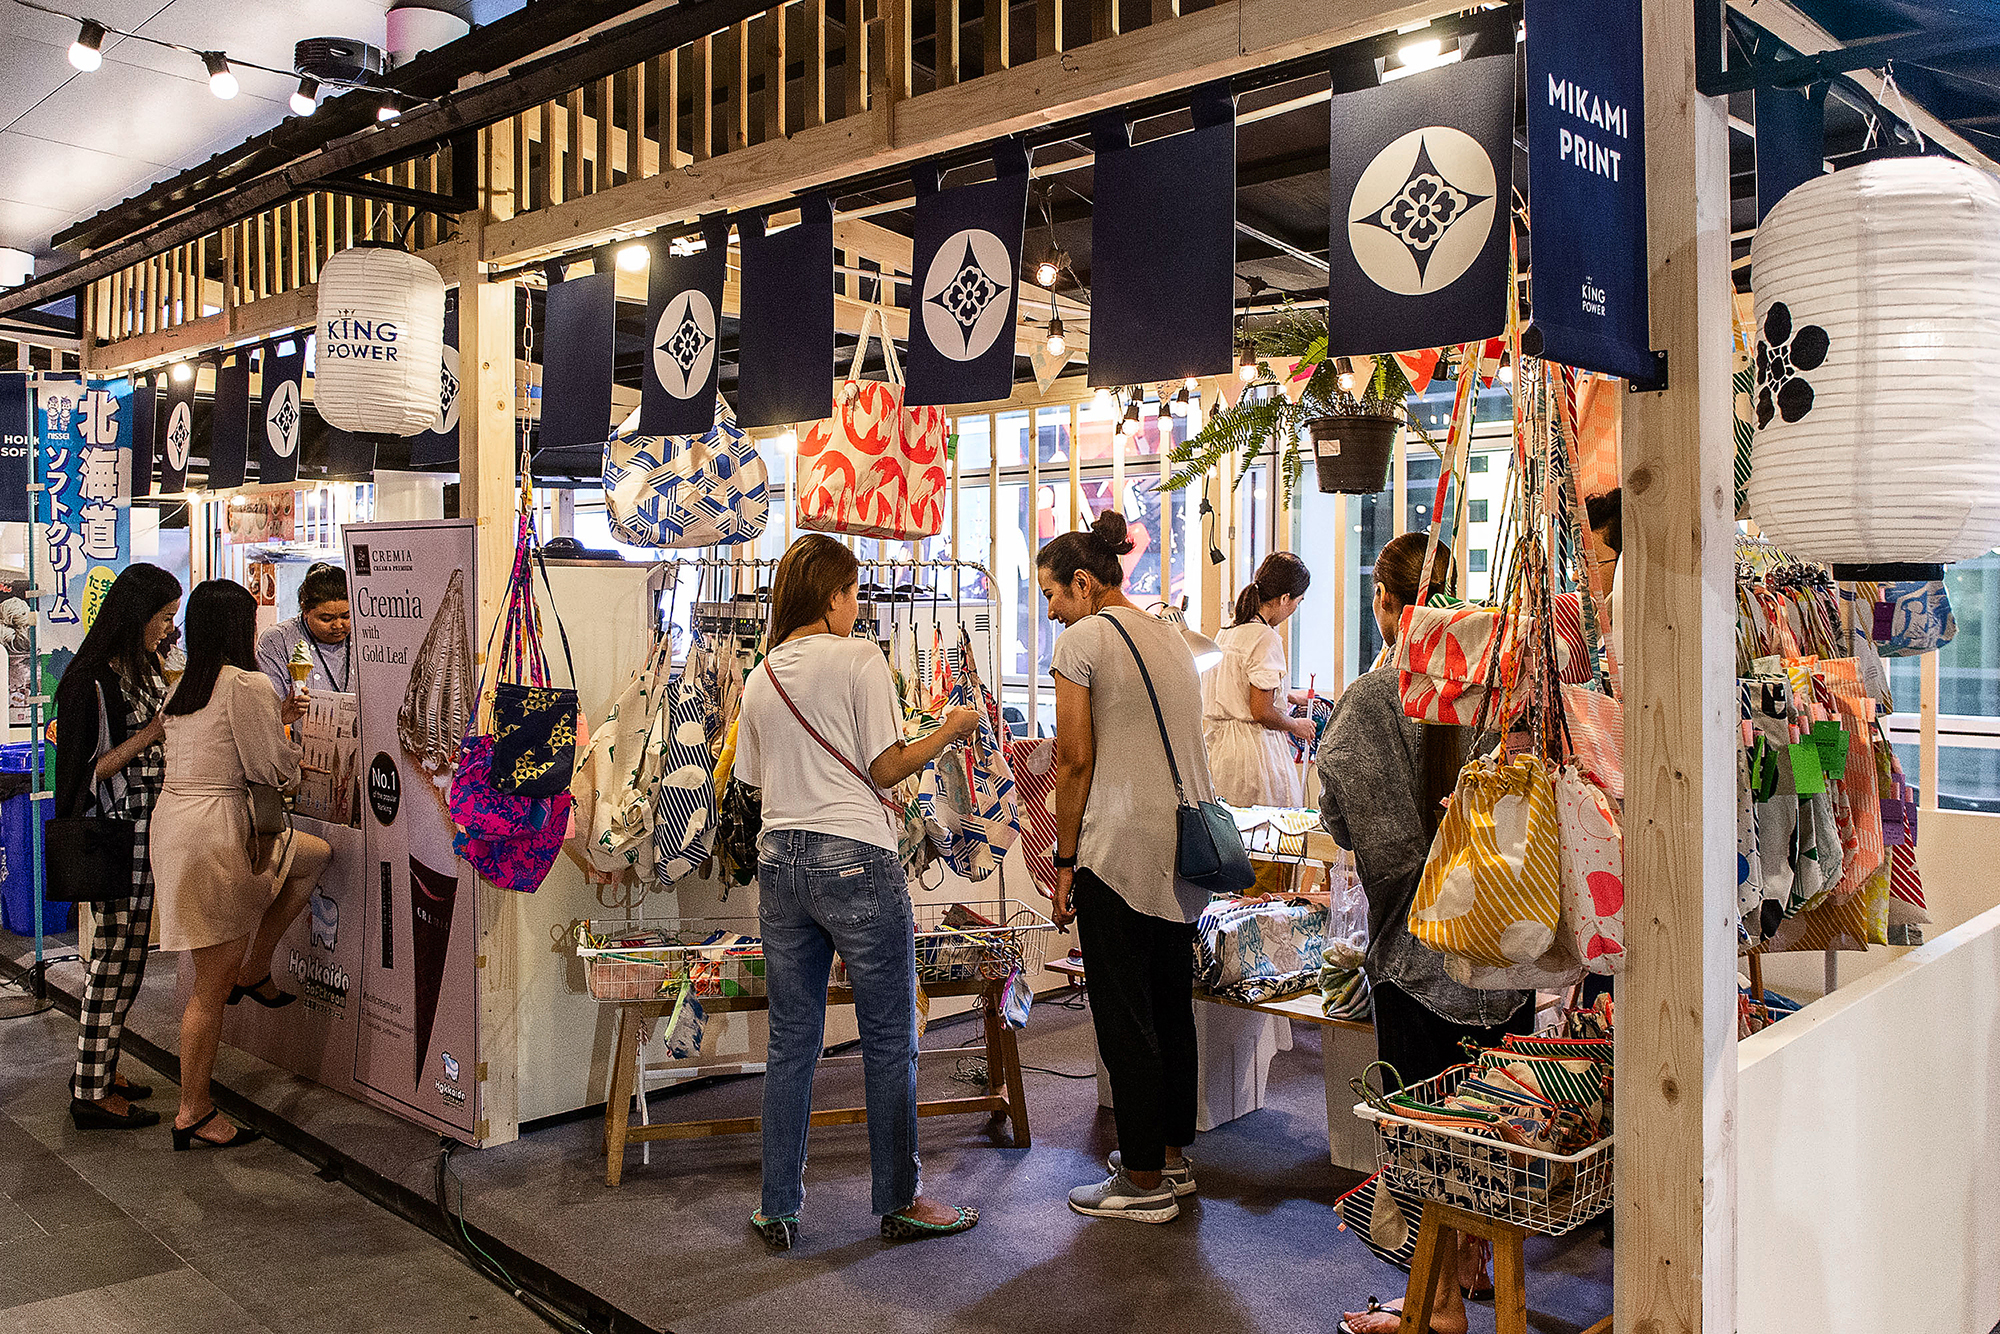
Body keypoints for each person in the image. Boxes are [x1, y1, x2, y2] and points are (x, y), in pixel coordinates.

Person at [731, 534, 982, 1249]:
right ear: (832, 596)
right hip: (855, 859)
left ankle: (778, 1206)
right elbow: (886, 765)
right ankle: (899, 1199)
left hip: (780, 860)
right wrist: (949, 730)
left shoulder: (761, 675)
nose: (858, 605)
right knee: (889, 1037)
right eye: (853, 592)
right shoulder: (859, 658)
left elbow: (752, 781)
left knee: (791, 1042)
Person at [1321, 533, 1533, 1334]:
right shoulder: (1499, 685)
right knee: (1492, 1128)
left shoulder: (1372, 699)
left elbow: (1359, 833)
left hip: (1415, 954)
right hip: (1508, 945)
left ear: (1385, 604)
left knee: (1422, 1138)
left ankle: (1437, 1304)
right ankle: (1475, 1271)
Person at [1043, 511, 1215, 1225]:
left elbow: (1074, 758)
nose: (1051, 612)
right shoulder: (1171, 634)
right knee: (1171, 1008)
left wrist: (1064, 860)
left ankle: (1141, 1182)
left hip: (1116, 850)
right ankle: (1169, 1158)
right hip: (1181, 849)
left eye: (1052, 594)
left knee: (1124, 1014)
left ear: (1084, 583)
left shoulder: (1082, 641)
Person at [153, 580, 332, 1150]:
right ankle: (193, 1111)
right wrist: (292, 750)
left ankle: (255, 968)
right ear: (240, 627)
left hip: (177, 824)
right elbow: (270, 768)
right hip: (217, 829)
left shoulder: (183, 685)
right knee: (209, 987)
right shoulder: (246, 683)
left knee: (313, 855)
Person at [52, 564, 184, 1131]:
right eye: (163, 617)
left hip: (145, 831)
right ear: (137, 616)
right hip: (115, 833)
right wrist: (151, 734)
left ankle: (100, 1068)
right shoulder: (89, 681)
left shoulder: (141, 667)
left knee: (128, 958)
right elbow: (84, 773)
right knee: (114, 959)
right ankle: (91, 1090)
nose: (168, 628)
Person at [1203, 551, 1317, 808]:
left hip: (1221, 753)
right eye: (1297, 602)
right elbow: (1261, 711)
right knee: (1265, 830)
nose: (1294, 610)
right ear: (1285, 598)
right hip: (1254, 757)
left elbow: (1238, 685)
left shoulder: (1228, 629)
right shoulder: (1265, 637)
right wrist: (1295, 725)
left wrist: (1288, 695)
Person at [256, 563, 350, 697]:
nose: (338, 626)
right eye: (326, 619)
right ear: (305, 610)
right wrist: (288, 706)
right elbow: (271, 703)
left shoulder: (365, 636)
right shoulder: (277, 640)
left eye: (346, 616)